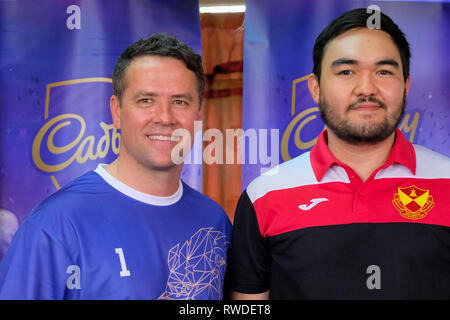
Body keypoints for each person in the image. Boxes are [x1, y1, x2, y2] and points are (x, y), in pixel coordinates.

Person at [227, 8, 450, 299]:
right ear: (316, 88)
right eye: (346, 71)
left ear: (406, 86)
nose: (366, 88)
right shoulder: (264, 195)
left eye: (384, 71)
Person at [0, 33, 232, 300]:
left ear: (199, 113)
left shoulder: (214, 222)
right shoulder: (55, 225)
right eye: (146, 100)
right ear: (117, 111)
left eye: (180, 101)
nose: (165, 117)